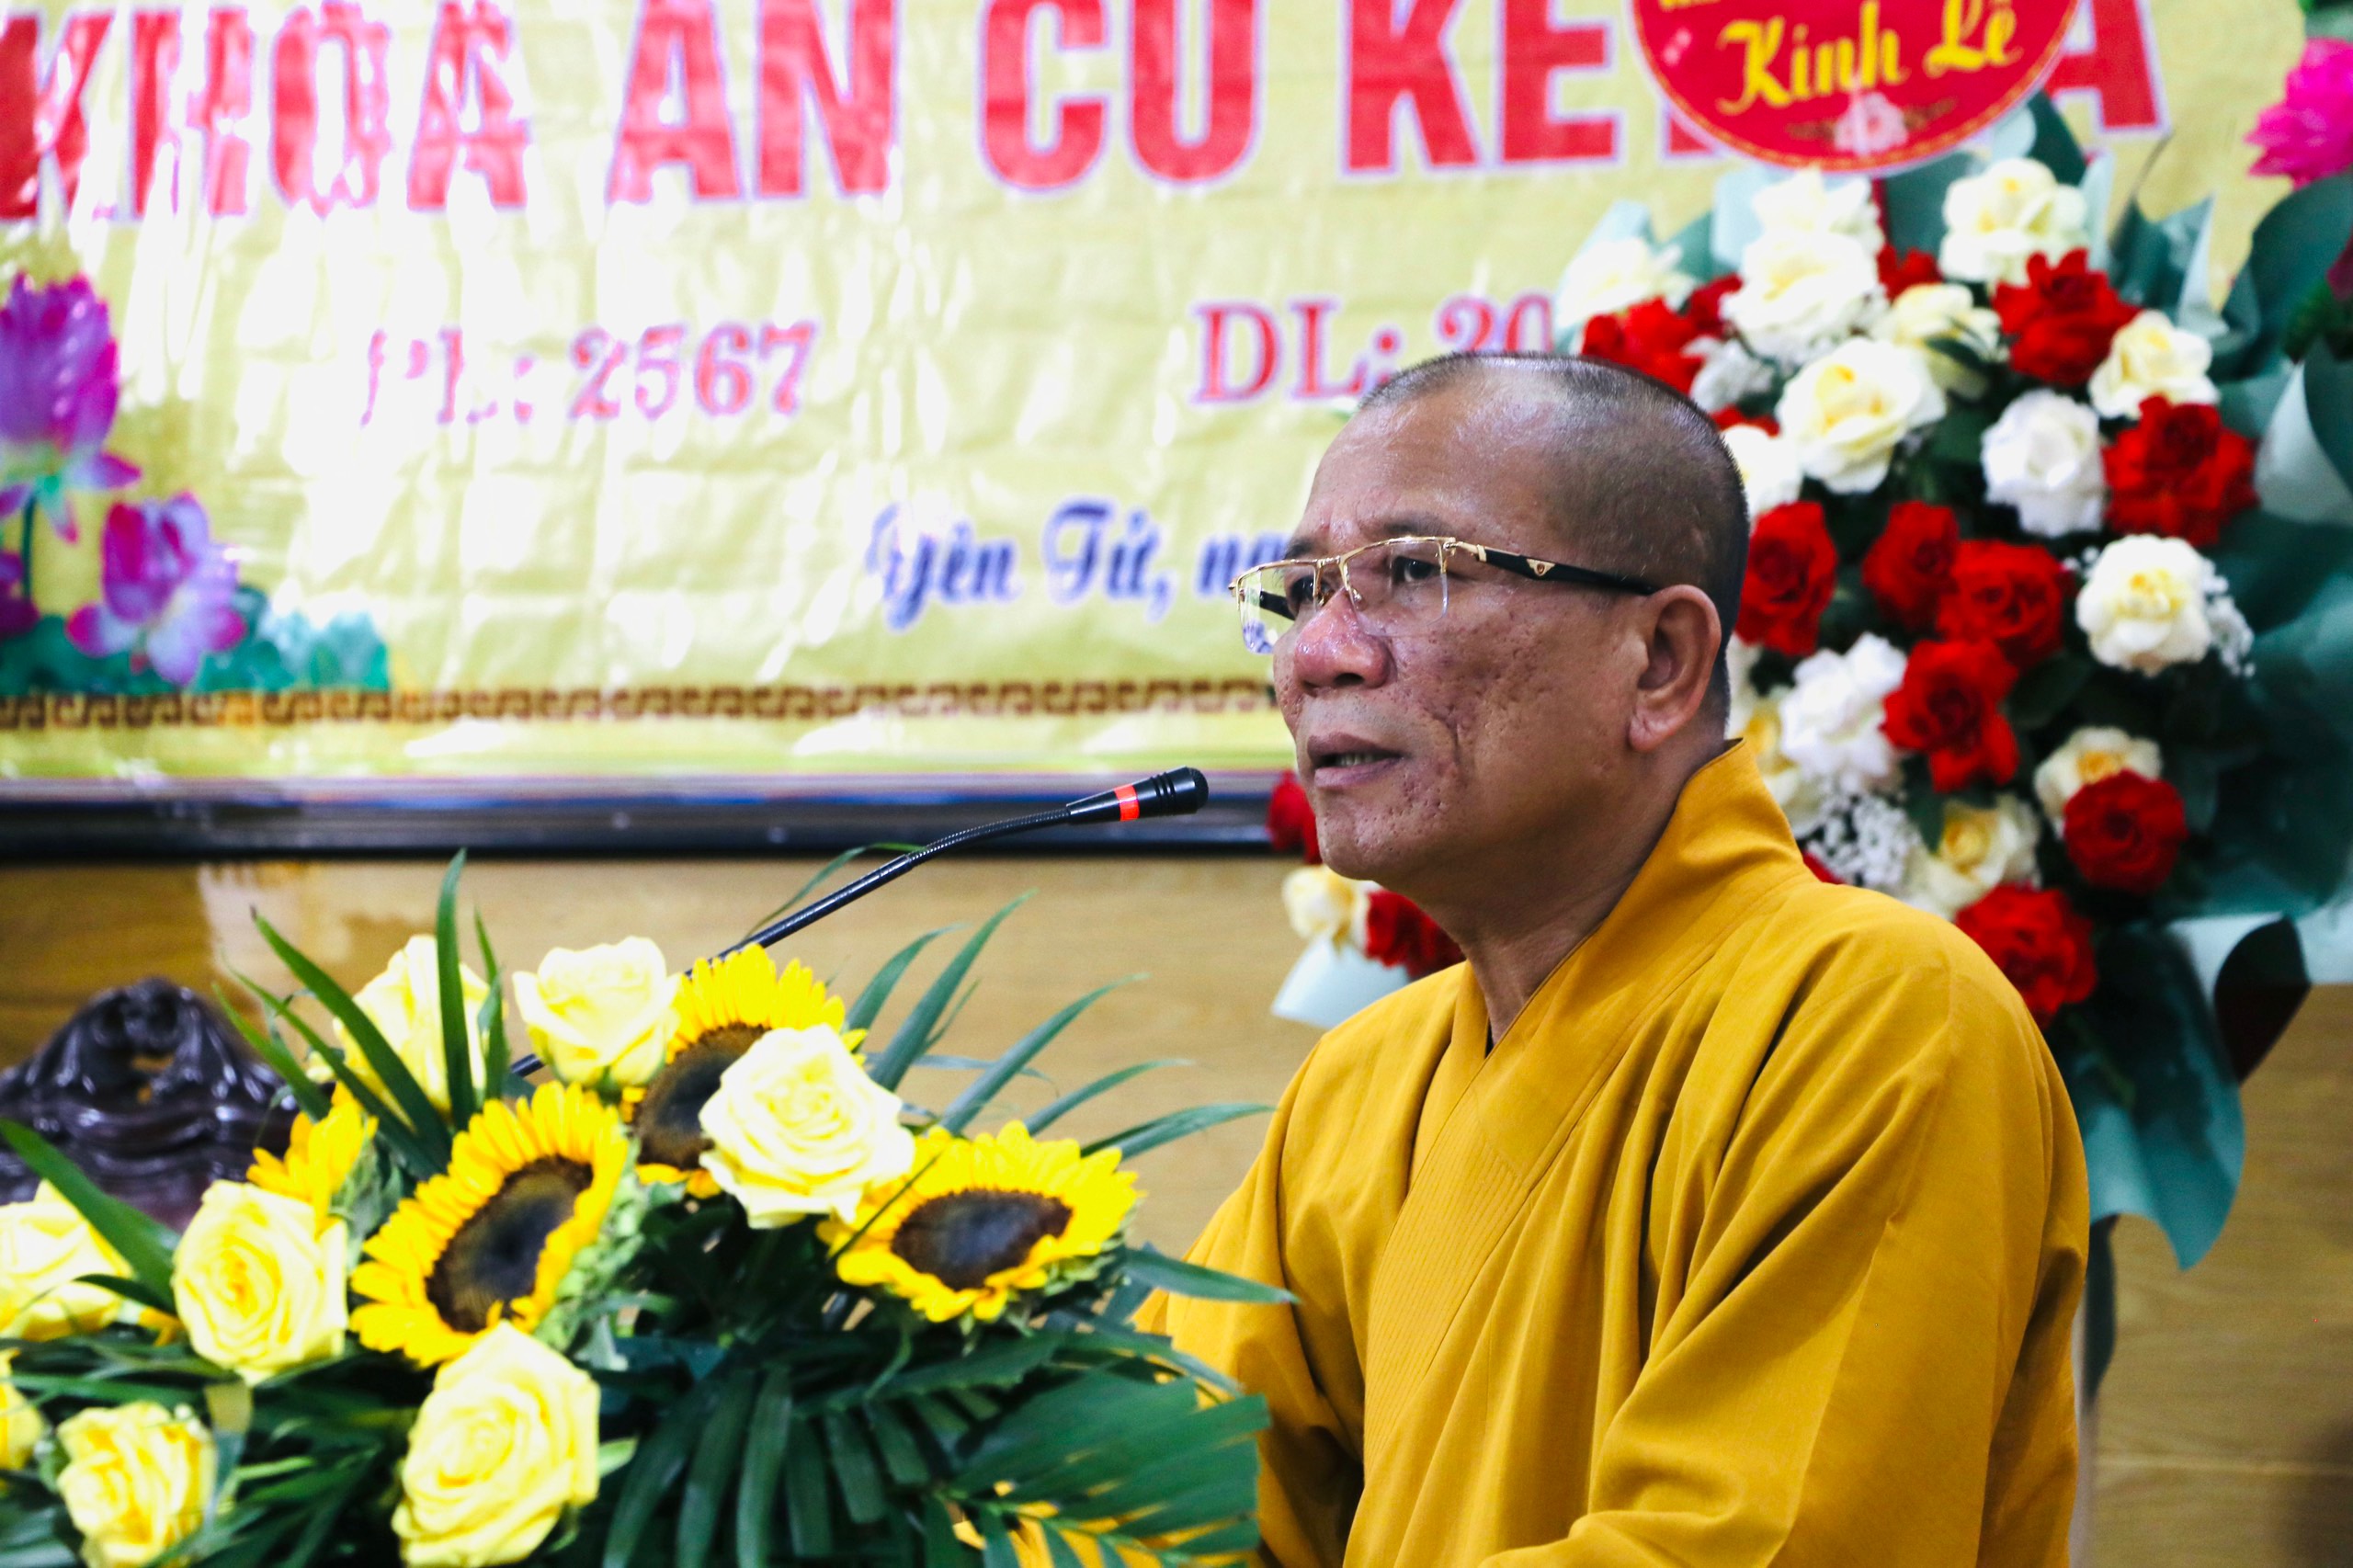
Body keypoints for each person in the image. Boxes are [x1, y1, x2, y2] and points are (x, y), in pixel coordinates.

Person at [1149, 353, 2088, 1567]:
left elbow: (1759, 1546)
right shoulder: (1362, 1088)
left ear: (1660, 662)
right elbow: (1138, 1493)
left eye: (1416, 572)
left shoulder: (1878, 1016)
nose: (1319, 652)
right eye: (1300, 590)